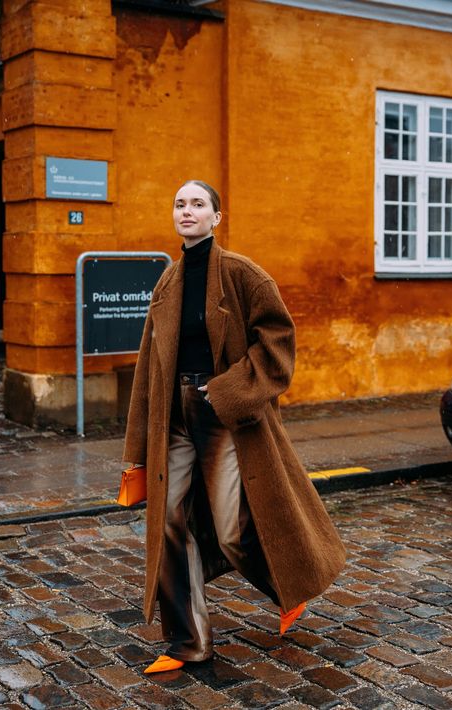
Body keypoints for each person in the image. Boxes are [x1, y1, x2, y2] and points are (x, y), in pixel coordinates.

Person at [123, 180, 346, 673]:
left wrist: (225, 392)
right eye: (179, 203)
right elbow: (147, 367)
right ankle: (188, 642)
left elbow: (278, 346)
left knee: (228, 529)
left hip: (223, 411)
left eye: (198, 204)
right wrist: (138, 444)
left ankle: (286, 585)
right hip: (174, 418)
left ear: (216, 217)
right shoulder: (167, 283)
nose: (187, 210)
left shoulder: (244, 275)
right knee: (169, 525)